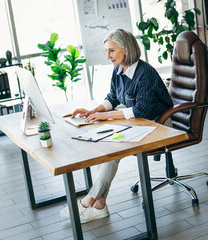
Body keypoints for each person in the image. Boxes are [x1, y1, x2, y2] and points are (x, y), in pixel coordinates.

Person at [60, 29, 173, 223]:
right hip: (139, 123)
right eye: (106, 51)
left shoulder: (145, 73)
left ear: (126, 49)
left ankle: (90, 200)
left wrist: (103, 116)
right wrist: (92, 111)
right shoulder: (118, 69)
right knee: (108, 146)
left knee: (115, 148)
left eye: (111, 51)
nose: (108, 56)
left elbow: (141, 111)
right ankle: (99, 204)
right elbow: (113, 97)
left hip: (159, 124)